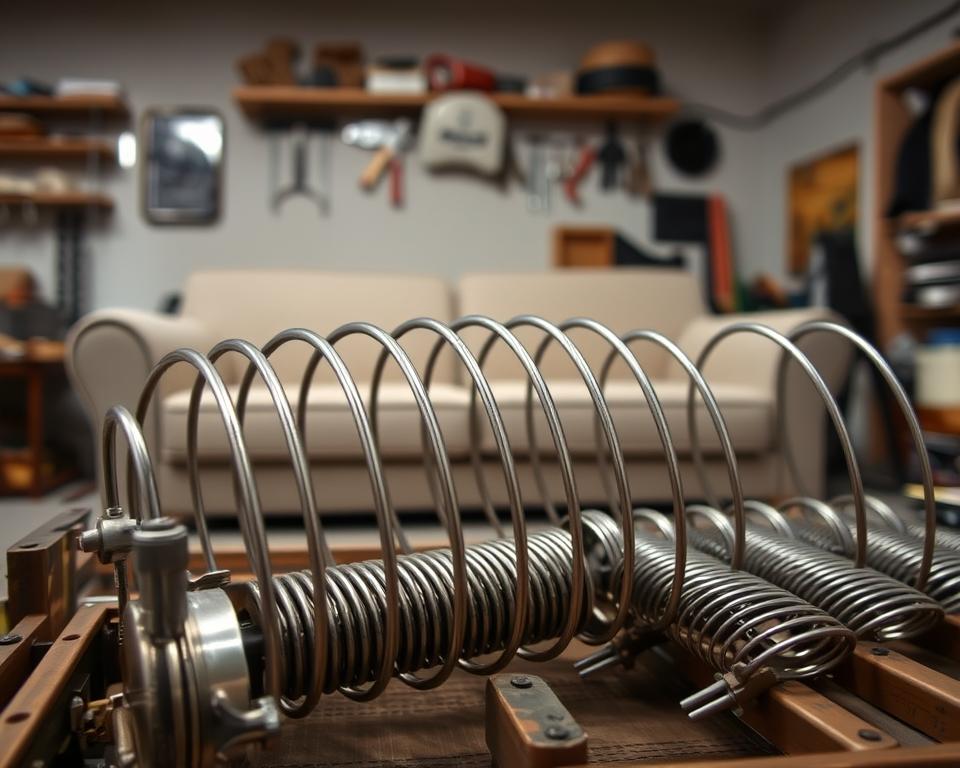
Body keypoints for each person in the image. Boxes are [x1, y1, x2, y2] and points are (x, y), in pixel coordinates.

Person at [0, 270, 93, 479]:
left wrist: (34, 348)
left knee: (76, 410)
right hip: (8, 382)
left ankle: (89, 472)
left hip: (46, 382)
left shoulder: (45, 313)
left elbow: (60, 345)